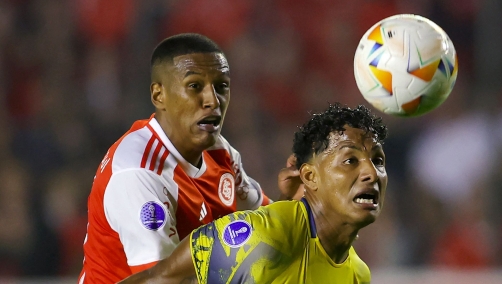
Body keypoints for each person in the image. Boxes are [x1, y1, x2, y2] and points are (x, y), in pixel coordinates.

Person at [78, 33, 302, 283]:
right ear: (158, 95)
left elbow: (261, 226)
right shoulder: (140, 172)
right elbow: (163, 279)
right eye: (195, 86)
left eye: (221, 86)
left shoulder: (219, 151)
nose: (212, 100)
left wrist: (291, 201)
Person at [119, 103, 389, 284]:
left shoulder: (357, 275)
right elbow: (159, 278)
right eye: (350, 161)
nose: (371, 173)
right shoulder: (267, 231)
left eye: (378, 161)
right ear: (309, 176)